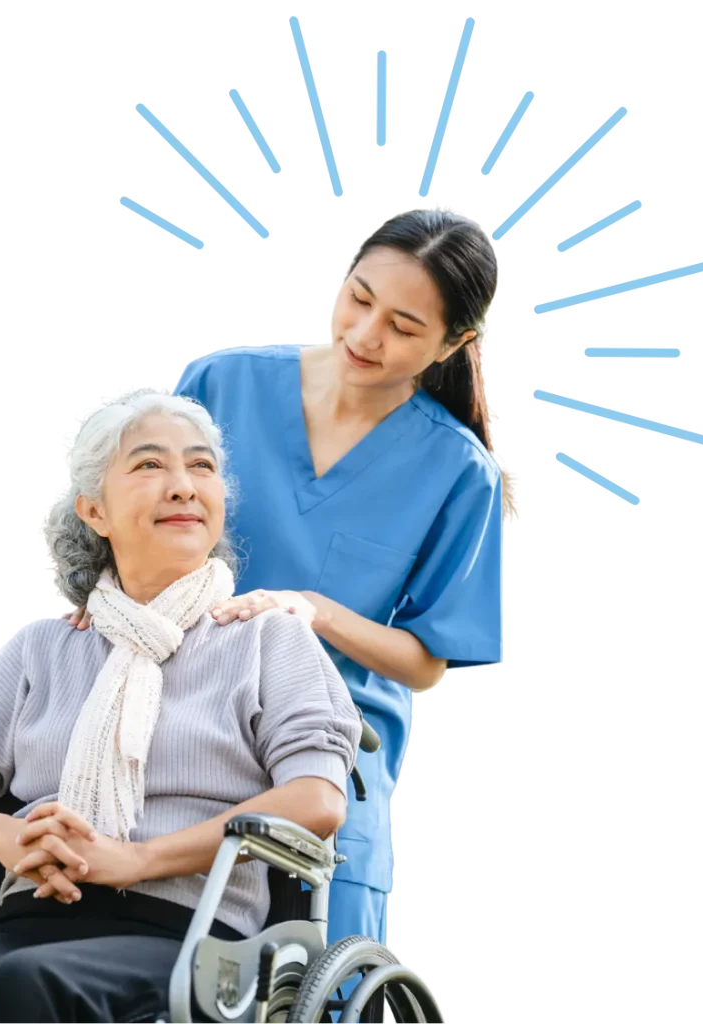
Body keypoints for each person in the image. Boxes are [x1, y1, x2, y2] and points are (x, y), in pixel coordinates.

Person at [69, 209, 505, 948]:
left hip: (324, 746)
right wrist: (96, 597)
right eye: (359, 299)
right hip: (177, 714)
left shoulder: (458, 472)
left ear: (454, 344)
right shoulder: (223, 384)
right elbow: (131, 510)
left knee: (313, 967)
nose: (365, 334)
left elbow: (426, 664)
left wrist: (314, 610)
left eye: (403, 327)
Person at [0, 392, 362, 1023]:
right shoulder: (40, 647)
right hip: (31, 918)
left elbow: (317, 799)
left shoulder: (267, 638)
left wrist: (135, 860)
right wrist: (6, 837)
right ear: (94, 510)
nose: (182, 486)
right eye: (150, 465)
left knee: (31, 986)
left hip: (189, 934)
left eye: (201, 466)